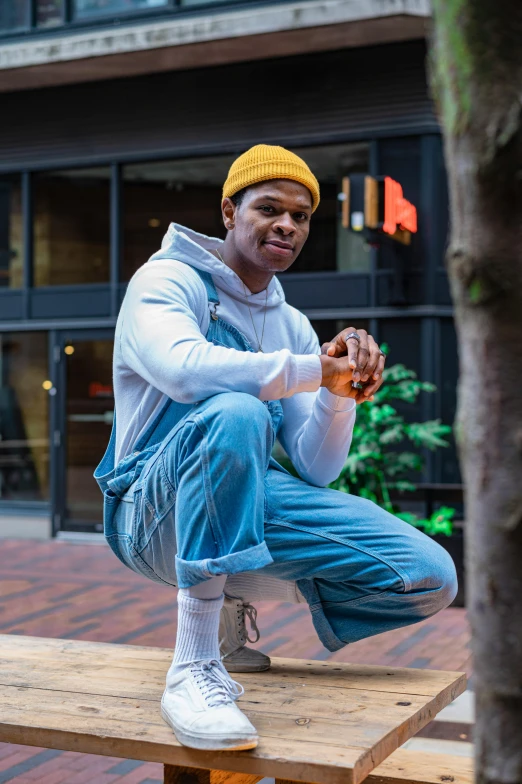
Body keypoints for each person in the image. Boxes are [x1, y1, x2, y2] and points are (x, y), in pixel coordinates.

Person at [94, 144, 457, 752]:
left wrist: (340, 392)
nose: (287, 225)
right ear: (229, 212)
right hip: (145, 513)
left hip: (244, 503)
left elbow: (316, 468)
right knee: (233, 411)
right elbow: (182, 370)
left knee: (427, 577)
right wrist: (312, 370)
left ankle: (229, 597)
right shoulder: (167, 280)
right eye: (268, 209)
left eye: (301, 216)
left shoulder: (289, 322)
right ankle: (192, 666)